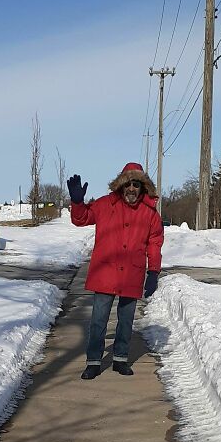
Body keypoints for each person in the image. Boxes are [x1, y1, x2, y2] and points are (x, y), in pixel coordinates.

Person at [67, 162, 164, 380]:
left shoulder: (150, 214)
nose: (132, 188)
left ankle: (120, 358)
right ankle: (93, 361)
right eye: (128, 183)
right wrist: (77, 202)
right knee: (98, 320)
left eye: (136, 184)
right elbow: (81, 219)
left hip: (132, 273)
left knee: (126, 320)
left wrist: (154, 272)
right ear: (121, 184)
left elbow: (154, 243)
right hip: (106, 272)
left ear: (143, 187)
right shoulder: (104, 205)